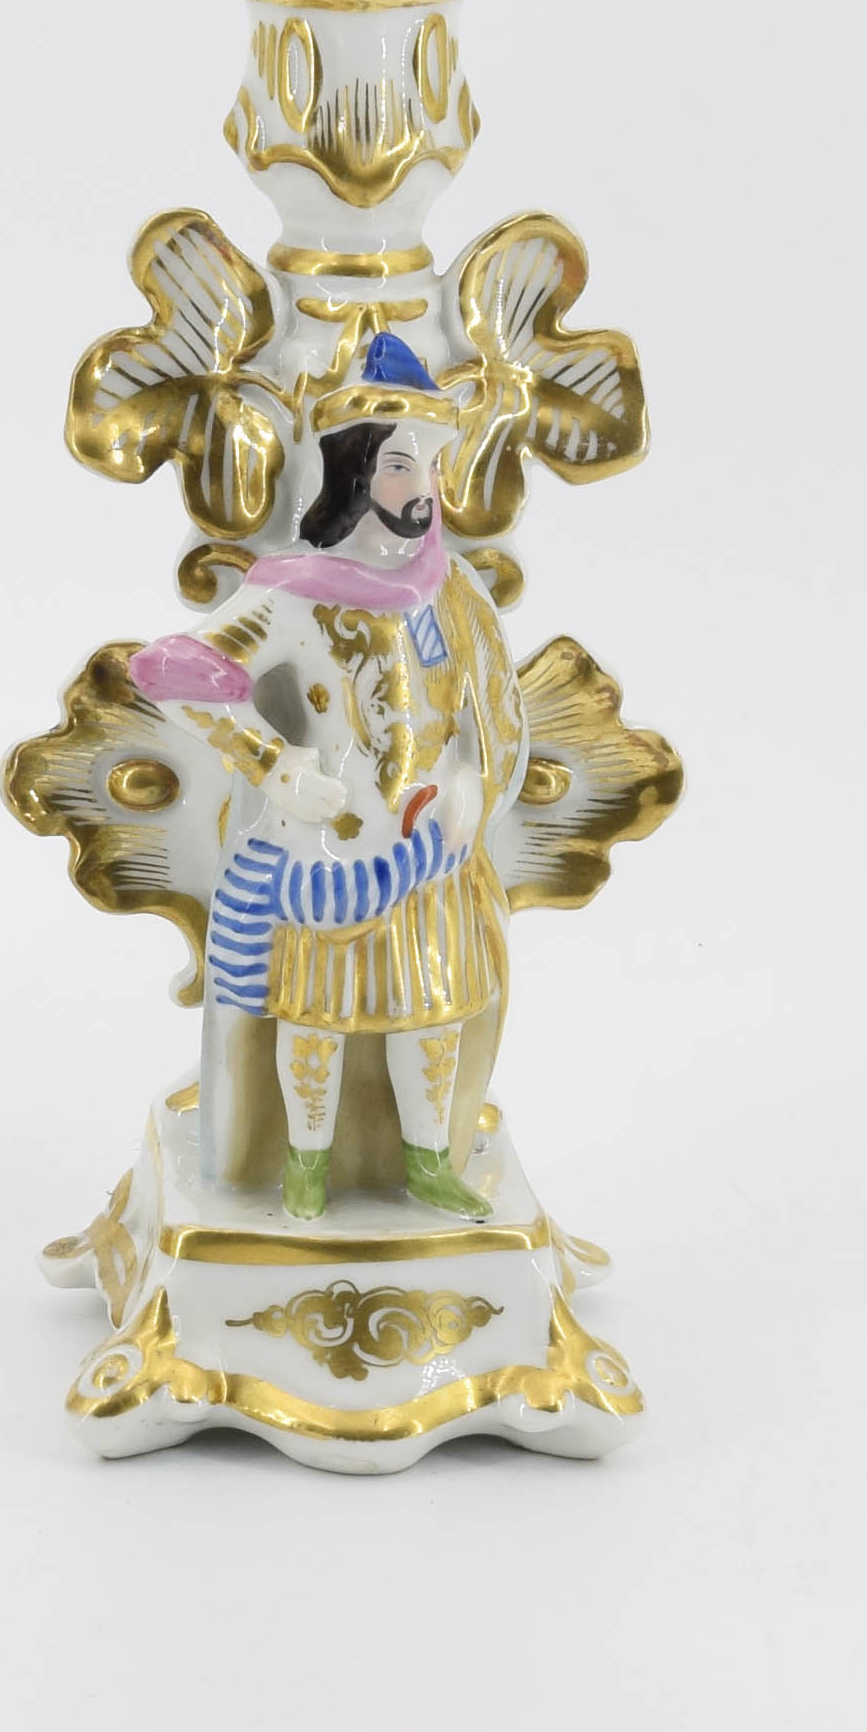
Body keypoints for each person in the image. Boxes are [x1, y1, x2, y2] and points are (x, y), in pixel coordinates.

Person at [128, 334, 524, 1220]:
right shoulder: (297, 593)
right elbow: (176, 672)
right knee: (319, 1019)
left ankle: (427, 1161)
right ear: (353, 472)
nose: (420, 490)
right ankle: (304, 1164)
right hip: (333, 845)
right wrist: (272, 763)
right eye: (399, 466)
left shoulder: (452, 593)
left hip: (432, 844)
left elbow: (488, 715)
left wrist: (472, 783)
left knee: (433, 1011)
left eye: (430, 466)